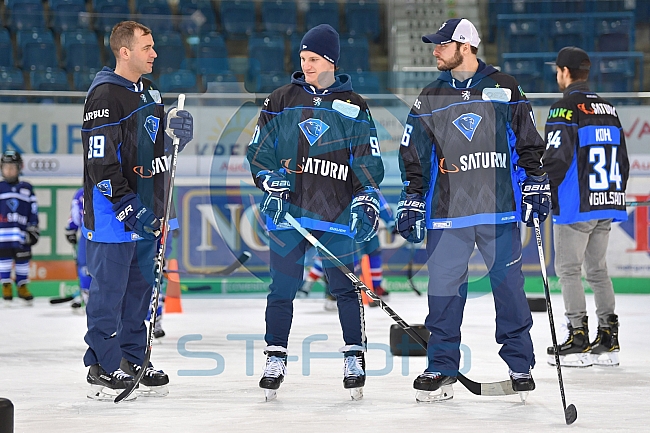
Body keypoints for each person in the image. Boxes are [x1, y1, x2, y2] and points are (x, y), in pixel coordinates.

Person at [396, 18, 548, 403]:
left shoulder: (505, 87)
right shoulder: (429, 95)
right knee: (443, 292)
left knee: (509, 290)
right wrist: (413, 198)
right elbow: (415, 154)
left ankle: (519, 365)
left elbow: (528, 141)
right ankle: (442, 366)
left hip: (498, 210)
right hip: (448, 213)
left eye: (442, 45)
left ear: (465, 46)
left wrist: (535, 182)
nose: (435, 51)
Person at [246, 23, 385, 401]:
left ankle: (354, 355)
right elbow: (259, 152)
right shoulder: (281, 98)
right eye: (303, 58)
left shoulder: (354, 104)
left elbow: (368, 160)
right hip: (289, 214)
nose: (305, 65)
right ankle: (275, 355)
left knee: (344, 287)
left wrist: (367, 198)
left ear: (330, 60)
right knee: (282, 287)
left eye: (312, 59)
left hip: (335, 211)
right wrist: (268, 181)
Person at [81, 21, 193, 401]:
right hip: (115, 215)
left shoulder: (150, 92)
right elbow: (100, 165)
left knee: (140, 293)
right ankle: (101, 364)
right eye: (147, 47)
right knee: (108, 292)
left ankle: (133, 358)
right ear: (124, 52)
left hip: (151, 209)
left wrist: (175, 135)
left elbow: (156, 147)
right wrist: (128, 207)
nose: (154, 53)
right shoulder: (105, 96)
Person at [542, 47, 629, 368]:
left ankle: (577, 335)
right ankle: (608, 338)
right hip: (608, 198)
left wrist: (544, 193)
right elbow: (623, 158)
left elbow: (556, 158)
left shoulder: (563, 107)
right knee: (597, 270)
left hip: (577, 202)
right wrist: (616, 193)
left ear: (564, 72)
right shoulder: (609, 108)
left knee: (568, 270)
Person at [0, 151, 39, 304]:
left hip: (21, 233)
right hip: (2, 234)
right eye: (5, 167)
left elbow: (33, 209)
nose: (9, 170)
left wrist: (33, 227)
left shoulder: (27, 188)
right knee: (4, 259)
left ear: (19, 168)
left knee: (23, 258)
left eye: (12, 167)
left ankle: (22, 286)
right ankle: (6, 286)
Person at [63, 187, 91, 310]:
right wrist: (71, 228)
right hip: (87, 233)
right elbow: (75, 213)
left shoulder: (112, 187)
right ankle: (87, 295)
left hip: (106, 235)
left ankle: (104, 298)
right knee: (84, 265)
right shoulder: (81, 193)